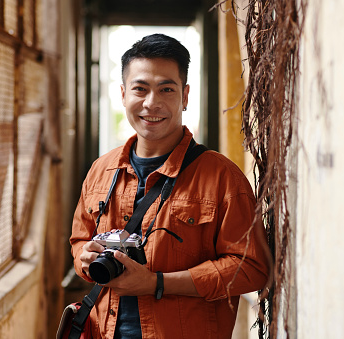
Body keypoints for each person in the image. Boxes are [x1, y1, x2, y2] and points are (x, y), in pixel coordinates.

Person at [70, 33, 269, 339]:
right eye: (140, 89)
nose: (152, 103)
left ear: (185, 96)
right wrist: (87, 258)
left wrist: (156, 283)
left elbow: (251, 268)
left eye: (166, 89)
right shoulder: (101, 170)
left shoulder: (221, 177)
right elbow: (79, 241)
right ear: (123, 94)